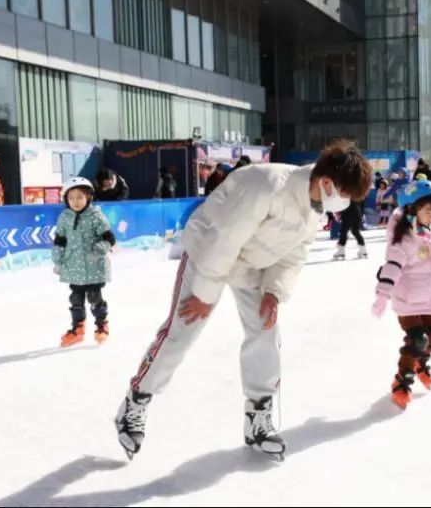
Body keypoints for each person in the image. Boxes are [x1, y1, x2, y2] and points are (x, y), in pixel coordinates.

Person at [114, 140, 372, 461]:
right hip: (208, 250)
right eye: (345, 194)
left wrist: (274, 292)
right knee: (183, 330)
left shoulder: (316, 207)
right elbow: (224, 238)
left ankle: (258, 419)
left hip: (251, 264)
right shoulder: (267, 185)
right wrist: (204, 295)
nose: (345, 202)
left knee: (266, 331)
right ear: (327, 182)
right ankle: (137, 400)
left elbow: (295, 252)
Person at [371, 179, 431, 410]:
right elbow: (392, 267)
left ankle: (420, 362)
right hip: (407, 299)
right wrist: (382, 296)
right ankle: (402, 380)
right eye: (427, 209)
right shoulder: (403, 239)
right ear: (411, 209)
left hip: (429, 296)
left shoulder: (430, 230)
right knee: (418, 340)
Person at [53, 177, 116, 347]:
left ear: (89, 197)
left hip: (94, 266)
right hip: (73, 265)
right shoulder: (64, 217)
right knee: (75, 298)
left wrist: (98, 249)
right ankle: (77, 329)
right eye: (71, 198)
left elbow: (110, 238)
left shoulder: (95, 215)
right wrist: (58, 261)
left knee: (94, 297)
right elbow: (60, 241)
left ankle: (101, 325)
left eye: (80, 197)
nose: (75, 201)